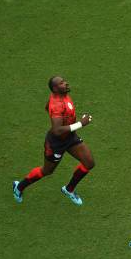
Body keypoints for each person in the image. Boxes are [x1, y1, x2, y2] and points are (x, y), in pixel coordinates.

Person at [12, 76, 94, 206]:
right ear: (55, 88)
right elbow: (57, 131)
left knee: (89, 163)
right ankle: (19, 187)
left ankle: (69, 189)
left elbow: (47, 106)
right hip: (56, 143)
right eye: (62, 83)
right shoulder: (57, 105)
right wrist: (81, 124)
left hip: (70, 137)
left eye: (64, 81)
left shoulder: (62, 95)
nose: (66, 83)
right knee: (47, 171)